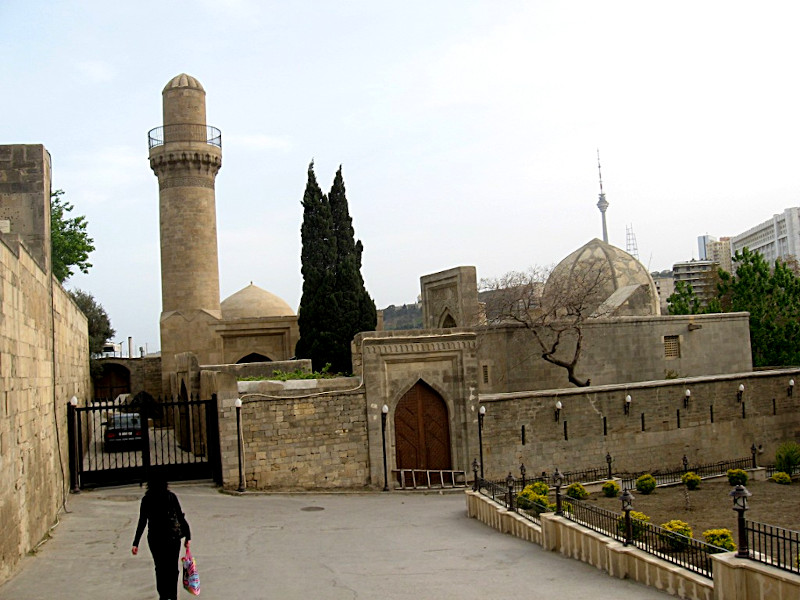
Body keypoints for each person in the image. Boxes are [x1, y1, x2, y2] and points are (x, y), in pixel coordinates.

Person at [132, 476, 191, 600]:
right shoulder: (171, 497)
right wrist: (188, 536)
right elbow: (180, 517)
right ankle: (173, 595)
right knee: (173, 568)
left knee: (160, 568)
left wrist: (135, 543)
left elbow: (142, 522)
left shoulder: (147, 500)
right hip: (172, 538)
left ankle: (163, 595)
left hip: (155, 538)